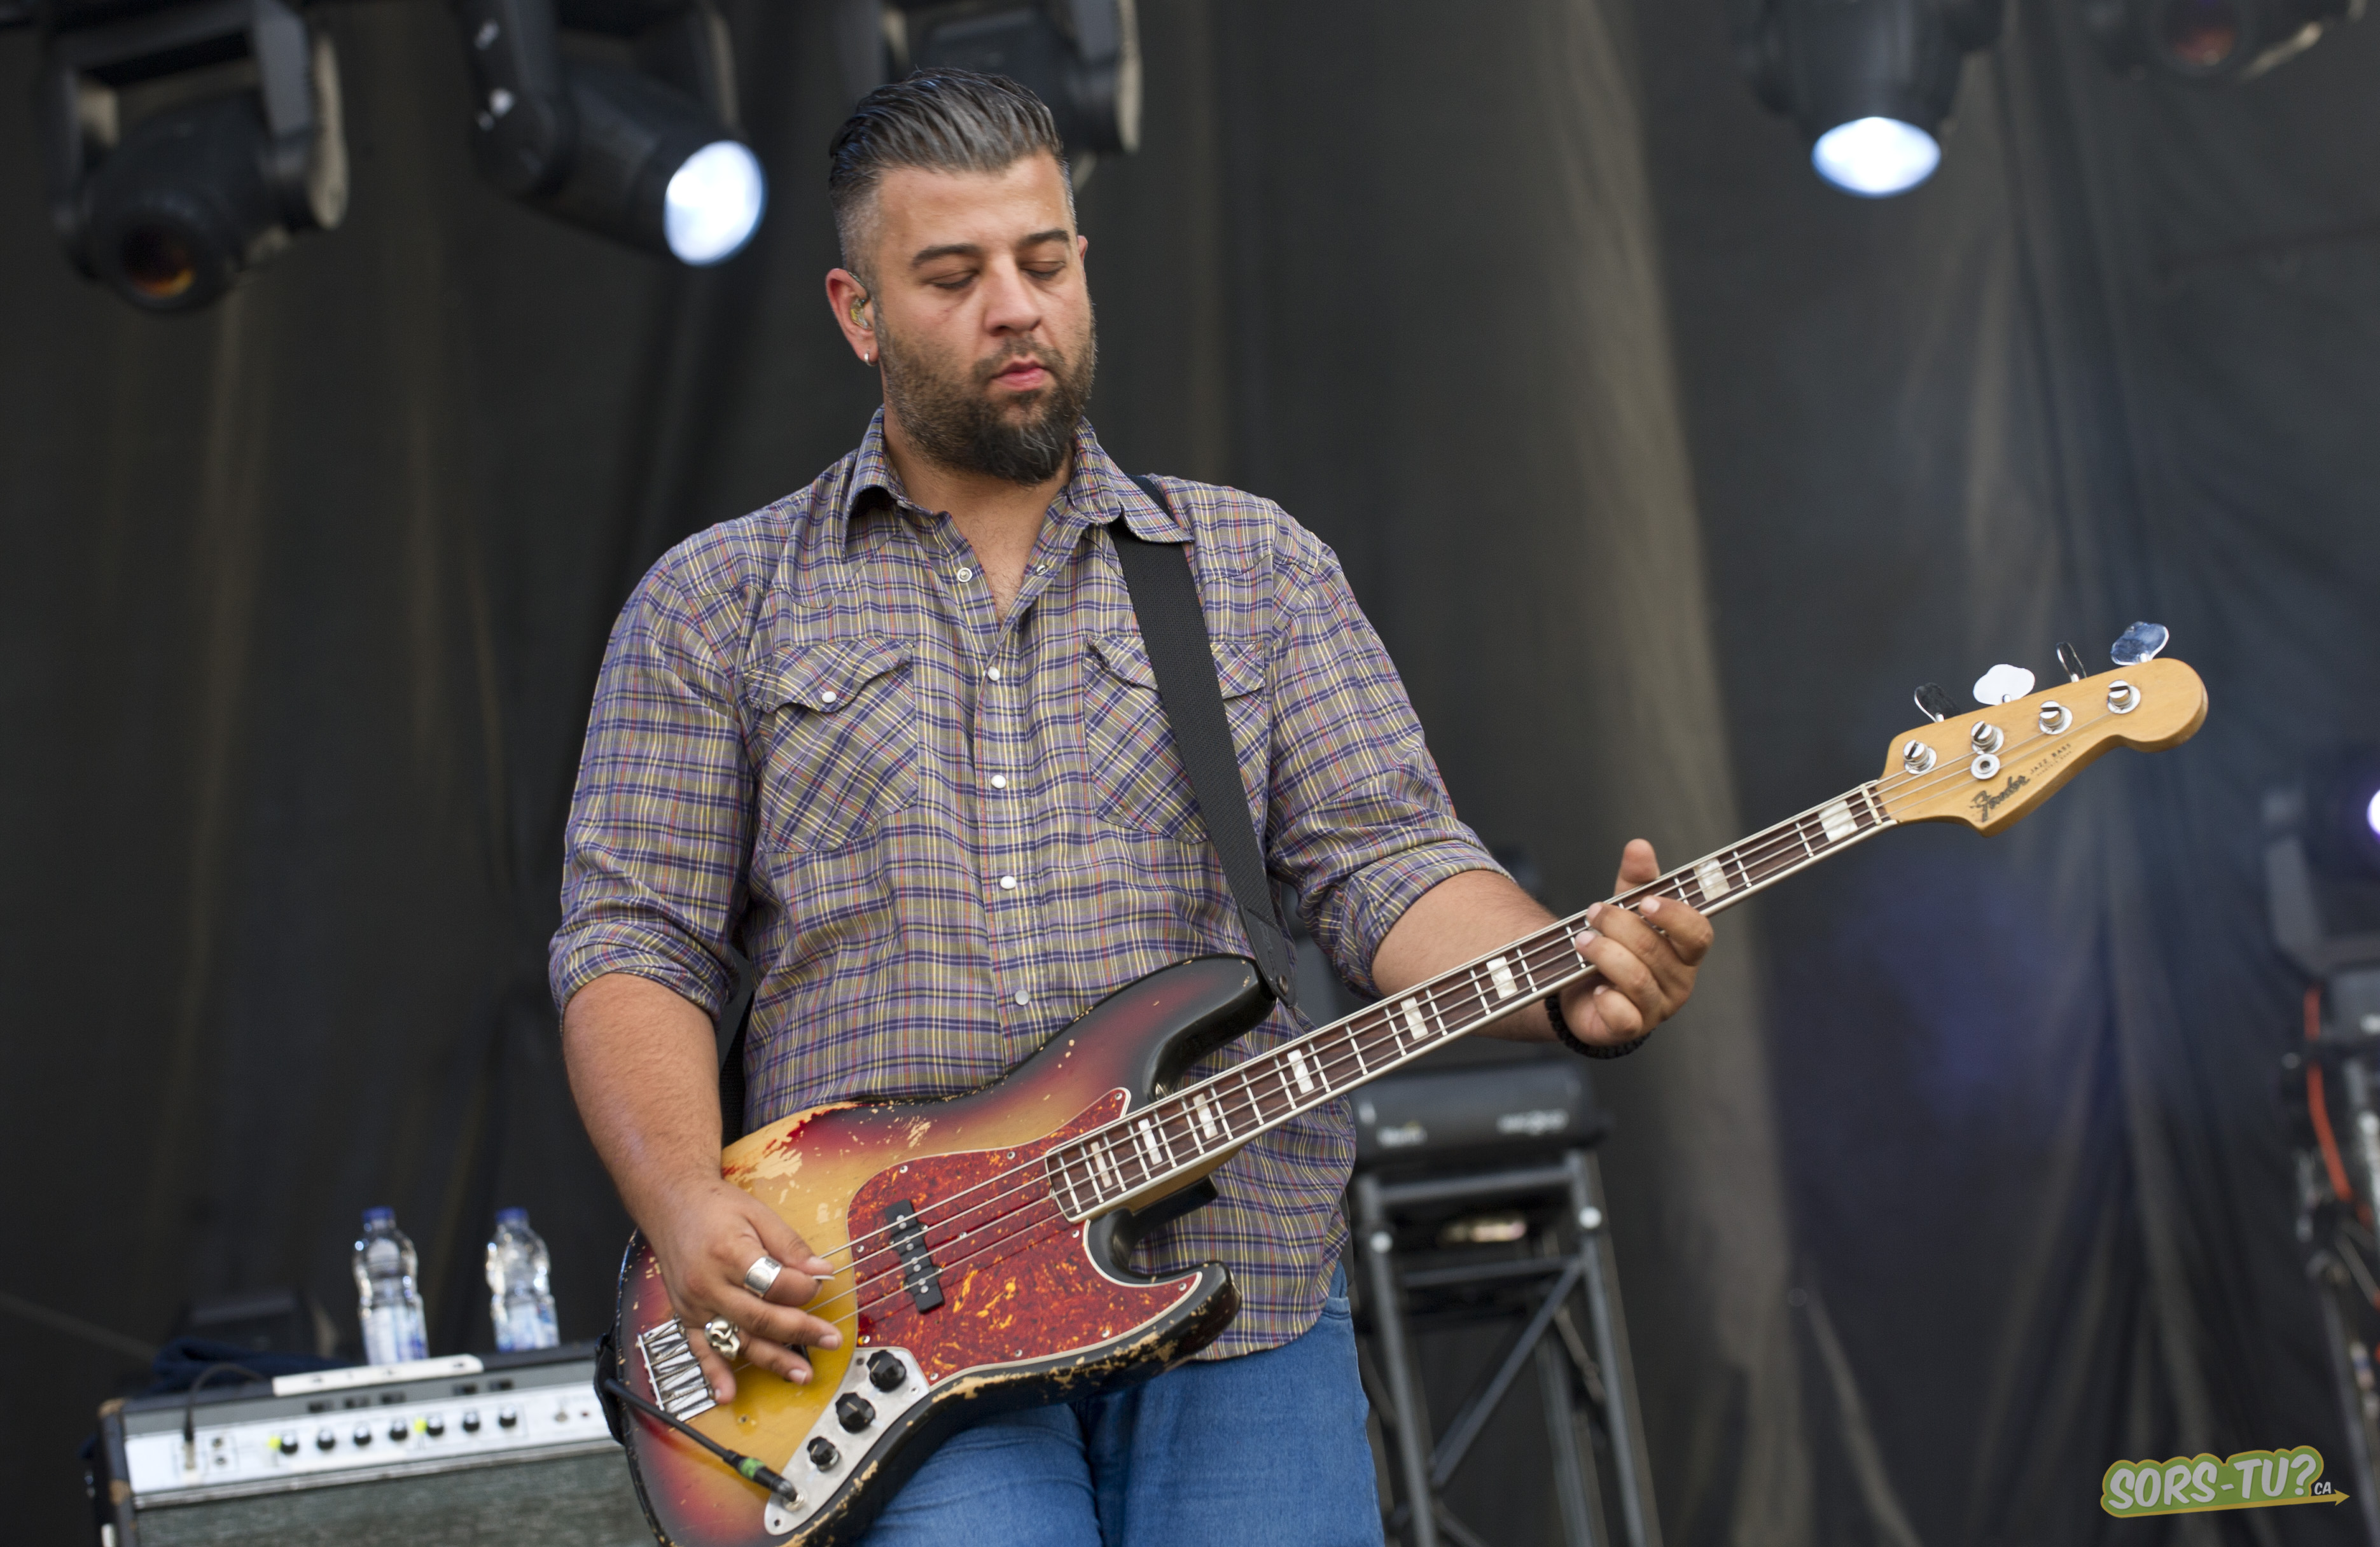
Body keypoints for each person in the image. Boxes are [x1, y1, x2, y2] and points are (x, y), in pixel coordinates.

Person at [551, 67, 1711, 1547]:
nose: (1014, 308)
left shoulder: (1250, 567)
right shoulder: (715, 602)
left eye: (1042, 262)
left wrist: (1564, 976)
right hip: (883, 1324)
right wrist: (678, 1200)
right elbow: (633, 942)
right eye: (953, 277)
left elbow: (1389, 866)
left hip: (1240, 1285)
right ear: (857, 313)